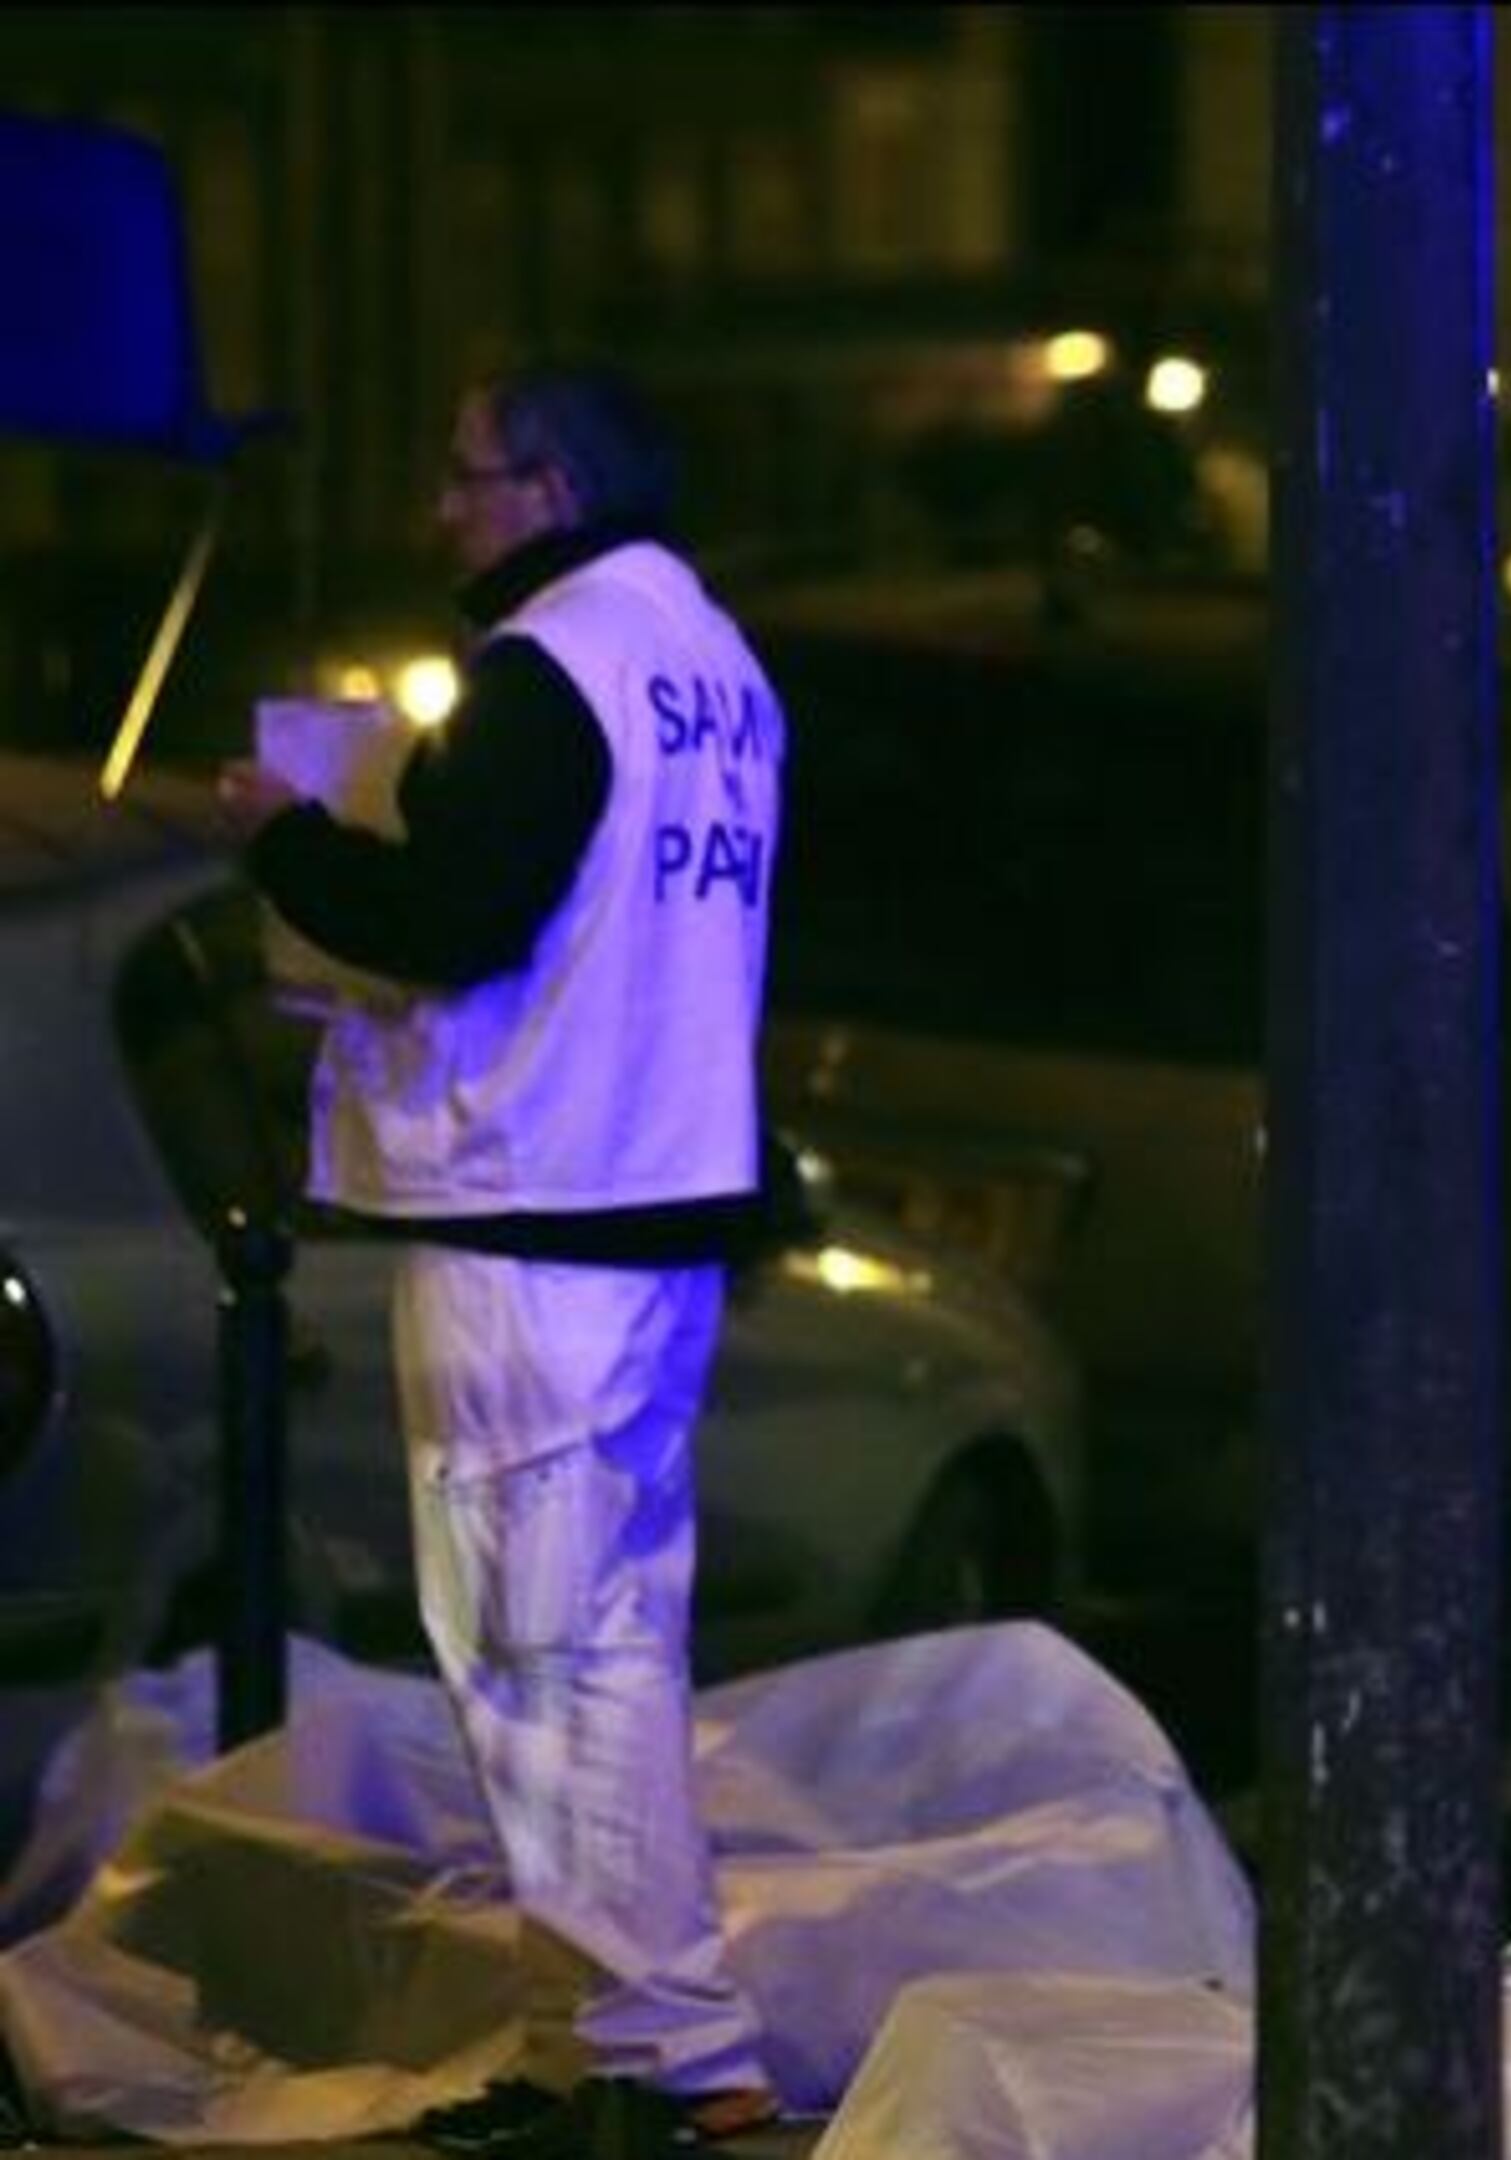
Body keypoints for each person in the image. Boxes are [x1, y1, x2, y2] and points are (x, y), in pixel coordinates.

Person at [212, 362, 785, 2156]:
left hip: (532, 1216)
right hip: (652, 1208)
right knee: (605, 1642)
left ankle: (653, 2052)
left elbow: (451, 918)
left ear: (550, 488)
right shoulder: (714, 664)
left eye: (466, 474)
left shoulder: (551, 670)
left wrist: (287, 840)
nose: (441, 508)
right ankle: (603, 2047)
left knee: (540, 1660)